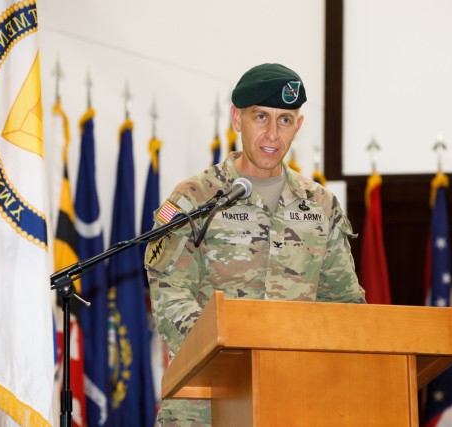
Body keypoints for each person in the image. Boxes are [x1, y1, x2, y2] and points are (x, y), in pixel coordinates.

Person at [145, 63, 366, 426]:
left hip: (296, 402)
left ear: (299, 126)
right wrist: (234, 356)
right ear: (237, 119)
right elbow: (171, 297)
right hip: (206, 404)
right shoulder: (194, 198)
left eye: (284, 120)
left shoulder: (320, 204)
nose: (272, 134)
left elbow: (345, 305)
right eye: (260, 117)